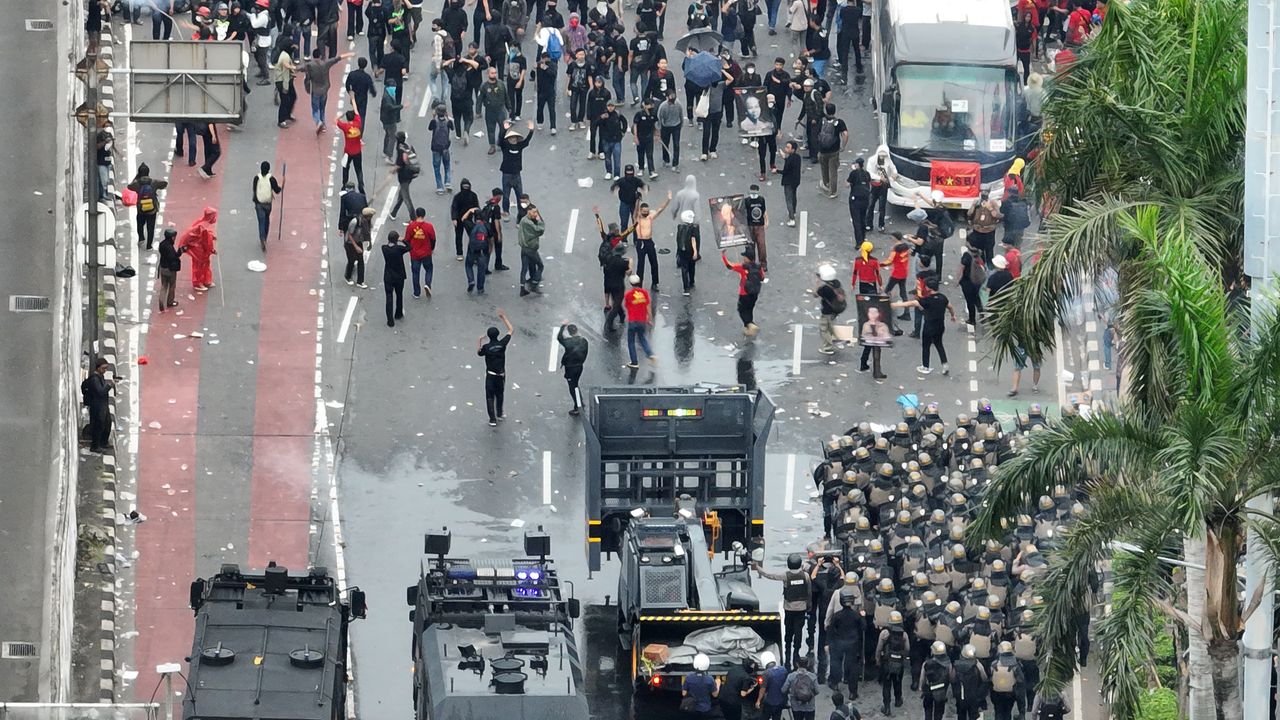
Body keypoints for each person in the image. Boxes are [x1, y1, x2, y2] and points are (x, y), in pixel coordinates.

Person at [754, 553, 812, 666]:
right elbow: (808, 592)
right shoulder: (806, 576)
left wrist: (758, 568)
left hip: (789, 610)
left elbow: (770, 575)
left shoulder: (786, 576)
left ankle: (787, 653)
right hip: (801, 609)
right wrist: (809, 606)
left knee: (789, 632)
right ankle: (796, 654)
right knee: (799, 632)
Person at [892, 277, 957, 375]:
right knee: (939, 344)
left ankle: (925, 366)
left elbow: (912, 303)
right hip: (940, 325)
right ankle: (945, 364)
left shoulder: (927, 300)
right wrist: (953, 316)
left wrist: (896, 305)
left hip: (929, 326)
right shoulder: (943, 298)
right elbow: (950, 307)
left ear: (928, 288)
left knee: (926, 345)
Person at [476, 310, 515, 426]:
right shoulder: (502, 344)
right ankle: (500, 413)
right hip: (501, 374)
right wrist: (504, 317)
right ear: (498, 335)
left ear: (488, 336)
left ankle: (492, 419)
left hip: (490, 375)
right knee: (500, 394)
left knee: (489, 396)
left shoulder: (487, 347)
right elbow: (511, 330)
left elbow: (479, 353)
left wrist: (479, 340)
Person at [301, 50, 355, 133]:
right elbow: (337, 58)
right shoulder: (325, 64)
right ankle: (324, 125)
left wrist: (290, 67)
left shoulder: (309, 65)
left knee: (315, 109)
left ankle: (318, 122)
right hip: (325, 90)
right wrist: (349, 54)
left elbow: (298, 68)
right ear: (320, 56)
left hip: (315, 90)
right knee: (322, 108)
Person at [632, 191, 672, 291]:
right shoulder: (637, 218)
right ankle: (639, 284)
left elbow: (660, 209)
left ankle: (655, 283)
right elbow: (635, 211)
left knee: (654, 262)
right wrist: (637, 201)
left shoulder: (650, 216)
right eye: (644, 211)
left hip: (649, 242)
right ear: (641, 211)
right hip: (640, 242)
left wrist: (668, 199)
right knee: (640, 264)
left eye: (647, 211)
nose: (646, 213)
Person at [723, 247, 765, 337]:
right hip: (755, 293)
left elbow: (729, 266)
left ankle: (750, 324)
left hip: (744, 293)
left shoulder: (743, 267)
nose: (743, 258)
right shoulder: (758, 267)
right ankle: (748, 328)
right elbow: (762, 277)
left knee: (741, 309)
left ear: (748, 258)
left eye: (745, 256)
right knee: (749, 309)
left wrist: (723, 256)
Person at [127, 163, 168, 250]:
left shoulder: (137, 183)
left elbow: (129, 187)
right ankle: (149, 245)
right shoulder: (153, 182)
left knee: (140, 224)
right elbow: (165, 184)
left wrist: (137, 177)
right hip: (152, 210)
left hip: (141, 209)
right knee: (151, 227)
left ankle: (141, 237)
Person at [177, 207, 218, 291]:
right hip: (199, 249)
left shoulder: (201, 223)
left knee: (204, 264)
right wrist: (211, 250)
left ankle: (206, 280)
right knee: (199, 266)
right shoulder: (203, 227)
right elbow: (207, 242)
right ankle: (198, 283)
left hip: (200, 248)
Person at [499, 120, 537, 213]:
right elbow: (500, 139)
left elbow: (527, 141)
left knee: (520, 196)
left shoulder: (520, 146)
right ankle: (506, 212)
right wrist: (504, 130)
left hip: (517, 175)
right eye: (511, 138)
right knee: (506, 196)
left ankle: (521, 214)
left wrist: (531, 131)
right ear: (508, 139)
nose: (513, 140)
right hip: (506, 174)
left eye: (515, 138)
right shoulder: (505, 146)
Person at [875, 611, 908, 714]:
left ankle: (887, 707)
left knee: (886, 685)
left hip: (887, 663)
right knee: (898, 682)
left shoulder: (884, 633)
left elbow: (879, 649)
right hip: (899, 663)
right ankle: (898, 700)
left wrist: (878, 660)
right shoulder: (904, 634)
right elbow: (907, 649)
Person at [622, 275, 656, 367]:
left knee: (631, 342)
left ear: (631, 283)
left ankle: (634, 362)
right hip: (642, 321)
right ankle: (650, 354)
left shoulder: (628, 294)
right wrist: (650, 319)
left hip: (633, 321)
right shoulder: (644, 293)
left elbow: (626, 306)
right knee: (642, 339)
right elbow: (648, 307)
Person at [82, 358, 114, 454]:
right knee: (98, 426)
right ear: (98, 368)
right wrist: (110, 385)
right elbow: (100, 392)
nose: (105, 370)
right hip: (97, 406)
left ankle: (103, 442)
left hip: (103, 404)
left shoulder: (100, 377)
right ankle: (95, 446)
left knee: (107, 423)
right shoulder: (94, 379)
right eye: (103, 368)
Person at [250, 161, 283, 251]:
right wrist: (281, 186)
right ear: (268, 169)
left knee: (261, 221)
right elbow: (277, 190)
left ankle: (262, 238)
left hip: (259, 203)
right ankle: (265, 236)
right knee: (267, 219)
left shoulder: (256, 178)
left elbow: (254, 189)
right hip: (268, 204)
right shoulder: (271, 179)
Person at [557, 322, 588, 414]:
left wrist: (562, 326)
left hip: (570, 368)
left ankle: (578, 407)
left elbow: (559, 338)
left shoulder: (568, 342)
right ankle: (580, 402)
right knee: (575, 385)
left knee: (572, 387)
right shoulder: (584, 341)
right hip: (579, 366)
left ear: (569, 333)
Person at [814, 264, 846, 355]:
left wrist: (817, 283)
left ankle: (828, 347)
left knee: (824, 329)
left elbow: (815, 294)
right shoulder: (836, 284)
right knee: (831, 326)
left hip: (827, 311)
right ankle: (836, 339)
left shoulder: (825, 289)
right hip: (834, 310)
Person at [816, 104, 848, 195]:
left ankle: (826, 185)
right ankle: (833, 192)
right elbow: (845, 134)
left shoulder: (822, 121)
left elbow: (817, 134)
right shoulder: (839, 122)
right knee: (833, 171)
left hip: (822, 150)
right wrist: (843, 146)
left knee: (824, 168)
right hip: (834, 150)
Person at [460, 206, 493, 294]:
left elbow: (463, 218)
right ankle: (480, 288)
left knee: (468, 265)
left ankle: (471, 280)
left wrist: (469, 211)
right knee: (481, 269)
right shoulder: (486, 226)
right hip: (483, 250)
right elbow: (490, 239)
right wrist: (490, 248)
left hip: (472, 249)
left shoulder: (470, 225)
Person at [381, 230, 410, 326]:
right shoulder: (399, 249)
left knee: (389, 297)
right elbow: (410, 247)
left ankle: (390, 320)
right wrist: (404, 240)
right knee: (399, 294)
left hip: (388, 276)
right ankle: (398, 313)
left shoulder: (384, 248)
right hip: (399, 276)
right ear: (396, 239)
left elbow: (386, 245)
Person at [406, 208, 436, 297]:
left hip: (414, 253)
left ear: (416, 214)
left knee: (415, 273)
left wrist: (409, 249)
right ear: (424, 215)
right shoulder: (429, 226)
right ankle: (427, 284)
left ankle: (416, 293)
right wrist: (432, 249)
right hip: (426, 252)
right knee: (429, 269)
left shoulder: (411, 226)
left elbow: (407, 239)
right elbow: (433, 239)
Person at [480, 67, 510, 153]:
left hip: (501, 110)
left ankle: (500, 141)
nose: (494, 75)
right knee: (491, 129)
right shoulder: (484, 86)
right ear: (488, 74)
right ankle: (492, 146)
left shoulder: (501, 84)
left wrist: (509, 108)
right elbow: (480, 98)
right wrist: (478, 110)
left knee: (504, 128)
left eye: (495, 73)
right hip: (490, 111)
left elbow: (506, 96)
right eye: (492, 73)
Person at [919, 641, 952, 720]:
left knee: (928, 711)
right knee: (939, 713)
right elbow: (951, 678)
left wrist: (920, 688)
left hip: (928, 690)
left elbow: (922, 678)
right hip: (941, 692)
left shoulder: (926, 663)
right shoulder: (948, 664)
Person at [681, 653, 721, 719]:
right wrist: (718, 684)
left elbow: (684, 693)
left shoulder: (689, 677)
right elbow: (715, 695)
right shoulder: (710, 679)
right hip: (705, 709)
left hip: (692, 708)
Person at [958, 240, 986, 329]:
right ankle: (982, 314)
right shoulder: (981, 254)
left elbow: (962, 269)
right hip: (977, 281)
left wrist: (958, 280)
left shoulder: (967, 255)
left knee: (970, 301)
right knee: (977, 298)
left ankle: (972, 319)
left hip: (967, 281)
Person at [517, 204, 546, 295]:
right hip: (530, 249)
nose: (535, 214)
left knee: (524, 268)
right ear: (528, 211)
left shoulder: (523, 220)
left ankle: (522, 288)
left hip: (524, 248)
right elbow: (539, 230)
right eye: (534, 212)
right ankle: (534, 284)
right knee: (540, 266)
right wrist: (539, 221)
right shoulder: (528, 223)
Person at [336, 109, 366, 193]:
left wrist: (340, 116)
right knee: (359, 169)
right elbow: (357, 113)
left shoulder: (345, 127)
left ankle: (344, 185)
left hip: (348, 152)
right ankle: (361, 184)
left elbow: (336, 120)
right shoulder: (358, 124)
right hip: (357, 151)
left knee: (345, 167)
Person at [156, 228, 186, 312]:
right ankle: (170, 302)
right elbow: (174, 257)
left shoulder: (162, 244)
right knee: (172, 285)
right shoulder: (170, 247)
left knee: (164, 285)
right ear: (172, 237)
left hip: (162, 267)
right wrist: (180, 252)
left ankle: (161, 302)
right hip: (170, 269)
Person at [391, 131, 419, 219]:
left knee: (406, 197)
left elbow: (399, 164)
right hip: (410, 174)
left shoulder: (400, 149)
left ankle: (413, 217)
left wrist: (393, 170)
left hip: (404, 176)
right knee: (402, 194)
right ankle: (393, 213)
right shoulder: (406, 146)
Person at [966, 191, 1001, 264]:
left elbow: (997, 216)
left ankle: (989, 267)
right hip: (977, 231)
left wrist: (990, 208)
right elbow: (969, 213)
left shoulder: (993, 203)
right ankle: (981, 265)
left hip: (989, 232)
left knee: (989, 251)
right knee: (978, 251)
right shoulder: (977, 203)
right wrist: (973, 205)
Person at [781, 656, 820, 720]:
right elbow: (817, 691)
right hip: (809, 706)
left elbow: (783, 690)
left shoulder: (791, 676)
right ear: (807, 664)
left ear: (797, 664)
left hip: (796, 706)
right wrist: (810, 695)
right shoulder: (812, 676)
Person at [866, 146, 894, 231]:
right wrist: (879, 178)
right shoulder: (872, 160)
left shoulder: (888, 160)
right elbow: (869, 172)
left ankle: (881, 224)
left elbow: (893, 168)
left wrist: (894, 175)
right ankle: (869, 224)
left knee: (882, 206)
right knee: (870, 205)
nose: (882, 158)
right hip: (874, 185)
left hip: (883, 186)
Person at [858, 306, 890, 379]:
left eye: (875, 313)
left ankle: (866, 365)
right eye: (871, 313)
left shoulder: (882, 326)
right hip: (871, 339)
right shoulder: (866, 325)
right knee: (874, 350)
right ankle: (876, 372)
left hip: (875, 339)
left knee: (870, 349)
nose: (873, 315)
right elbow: (863, 335)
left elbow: (886, 336)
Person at [451, 179, 480, 259]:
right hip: (461, 219)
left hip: (468, 219)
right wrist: (454, 218)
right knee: (459, 236)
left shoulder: (473, 195)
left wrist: (478, 218)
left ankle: (472, 253)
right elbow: (454, 208)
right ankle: (460, 253)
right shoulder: (458, 196)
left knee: (472, 236)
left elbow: (476, 207)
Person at [274, 40, 300, 128]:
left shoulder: (285, 54)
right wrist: (285, 87)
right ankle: (281, 120)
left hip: (288, 79)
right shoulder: (285, 57)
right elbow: (286, 69)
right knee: (284, 100)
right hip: (282, 81)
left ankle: (287, 114)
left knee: (293, 97)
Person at [743, 184, 769, 270]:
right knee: (751, 246)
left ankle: (763, 264)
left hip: (759, 225)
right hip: (750, 226)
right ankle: (752, 263)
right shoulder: (746, 201)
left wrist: (766, 221)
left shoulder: (761, 200)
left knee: (761, 245)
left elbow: (764, 211)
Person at [346, 207, 373, 287]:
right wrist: (356, 247)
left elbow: (368, 232)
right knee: (352, 260)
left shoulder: (366, 222)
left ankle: (360, 281)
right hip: (350, 243)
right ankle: (348, 276)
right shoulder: (355, 222)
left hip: (359, 242)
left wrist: (370, 243)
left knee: (361, 261)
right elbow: (349, 235)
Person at [846, 157, 872, 245]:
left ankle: (859, 242)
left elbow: (847, 184)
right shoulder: (867, 174)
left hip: (855, 200)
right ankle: (864, 238)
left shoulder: (853, 173)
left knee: (856, 221)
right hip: (865, 200)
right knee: (862, 219)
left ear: (857, 164)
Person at [611, 164, 646, 228]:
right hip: (624, 203)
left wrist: (645, 188)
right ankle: (624, 238)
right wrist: (614, 189)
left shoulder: (636, 180)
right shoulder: (621, 181)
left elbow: (643, 185)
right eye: (628, 173)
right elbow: (614, 186)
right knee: (624, 223)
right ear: (625, 173)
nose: (629, 175)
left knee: (635, 223)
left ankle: (636, 238)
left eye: (631, 173)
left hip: (634, 204)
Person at [756, 652, 789, 720]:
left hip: (770, 701)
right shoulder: (783, 670)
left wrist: (758, 701)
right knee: (777, 717)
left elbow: (763, 689)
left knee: (765, 717)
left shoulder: (766, 673)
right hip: (781, 701)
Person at [657, 91, 684, 171]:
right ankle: (666, 159)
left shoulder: (678, 104)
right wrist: (659, 129)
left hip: (676, 126)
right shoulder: (663, 106)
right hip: (666, 127)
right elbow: (659, 117)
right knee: (665, 143)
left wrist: (681, 124)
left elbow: (681, 115)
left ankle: (675, 163)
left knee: (676, 144)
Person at [381, 86, 405, 163]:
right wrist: (401, 106)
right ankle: (389, 155)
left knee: (387, 134)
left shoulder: (386, 95)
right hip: (389, 120)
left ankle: (385, 151)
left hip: (385, 120)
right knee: (393, 137)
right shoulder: (387, 99)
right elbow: (391, 107)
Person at [780, 140, 802, 225]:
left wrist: (777, 171)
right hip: (796, 181)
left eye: (788, 147)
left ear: (793, 149)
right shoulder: (797, 157)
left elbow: (785, 171)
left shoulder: (789, 159)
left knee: (788, 199)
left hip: (788, 181)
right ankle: (794, 211)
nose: (786, 149)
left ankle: (791, 218)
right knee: (793, 196)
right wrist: (785, 158)